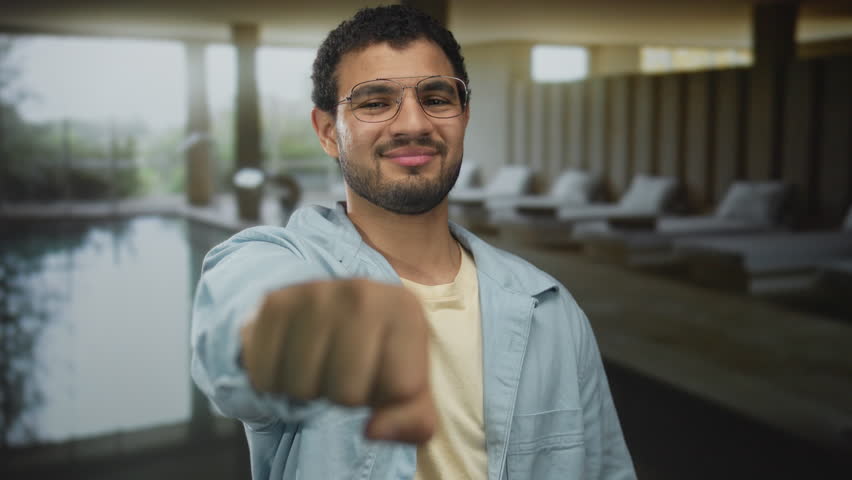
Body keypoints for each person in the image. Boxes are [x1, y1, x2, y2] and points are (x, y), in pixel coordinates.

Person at [191, 5, 636, 479]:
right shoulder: (276, 262)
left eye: (437, 98)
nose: (413, 124)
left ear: (463, 116)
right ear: (327, 133)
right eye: (375, 101)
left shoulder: (551, 310)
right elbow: (243, 331)